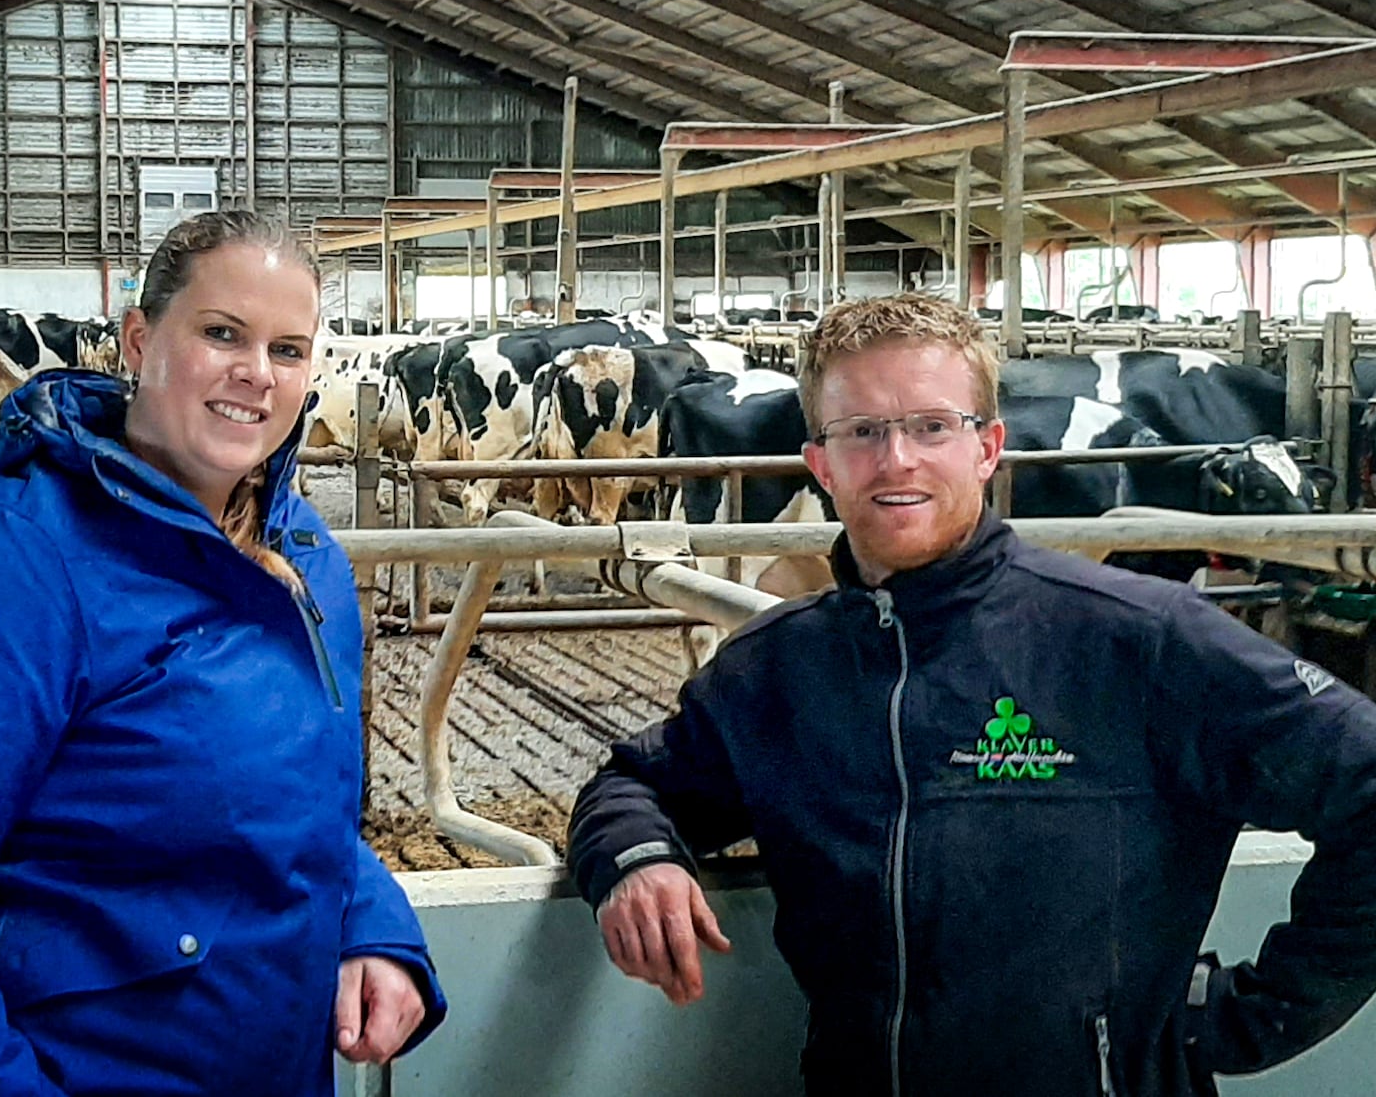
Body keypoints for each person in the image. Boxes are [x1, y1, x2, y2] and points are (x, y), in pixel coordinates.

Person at [567, 293, 1376, 1096]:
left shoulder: (1137, 640)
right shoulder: (776, 669)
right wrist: (638, 861)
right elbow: (633, 783)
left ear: (988, 448)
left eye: (931, 426)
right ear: (820, 465)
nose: (897, 460)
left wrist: (1246, 1017)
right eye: (862, 432)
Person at [0, 210, 444, 1096]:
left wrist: (370, 923)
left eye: (288, 350)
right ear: (138, 341)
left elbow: (301, 809)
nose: (257, 373)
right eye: (222, 334)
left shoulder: (305, 558)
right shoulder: (1, 563)